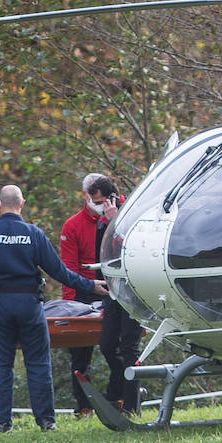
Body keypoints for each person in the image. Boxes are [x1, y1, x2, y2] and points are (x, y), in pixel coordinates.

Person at [0, 185, 107, 433]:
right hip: (29, 304)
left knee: (0, 364)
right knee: (38, 363)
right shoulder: (33, 234)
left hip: (1, 304)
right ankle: (46, 421)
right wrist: (90, 285)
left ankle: (3, 423)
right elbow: (59, 271)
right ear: (22, 203)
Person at [86, 176, 142, 415]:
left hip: (132, 290)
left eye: (98, 201)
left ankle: (131, 405)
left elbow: (131, 248)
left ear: (111, 198)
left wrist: (114, 222)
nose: (95, 206)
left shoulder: (130, 214)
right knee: (108, 345)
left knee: (129, 347)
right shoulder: (101, 220)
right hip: (112, 291)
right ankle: (125, 389)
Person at [59, 173, 106, 418]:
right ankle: (83, 406)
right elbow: (68, 269)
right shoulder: (73, 225)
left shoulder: (118, 218)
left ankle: (122, 401)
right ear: (85, 195)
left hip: (113, 290)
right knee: (80, 355)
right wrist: (70, 306)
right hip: (83, 292)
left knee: (118, 349)